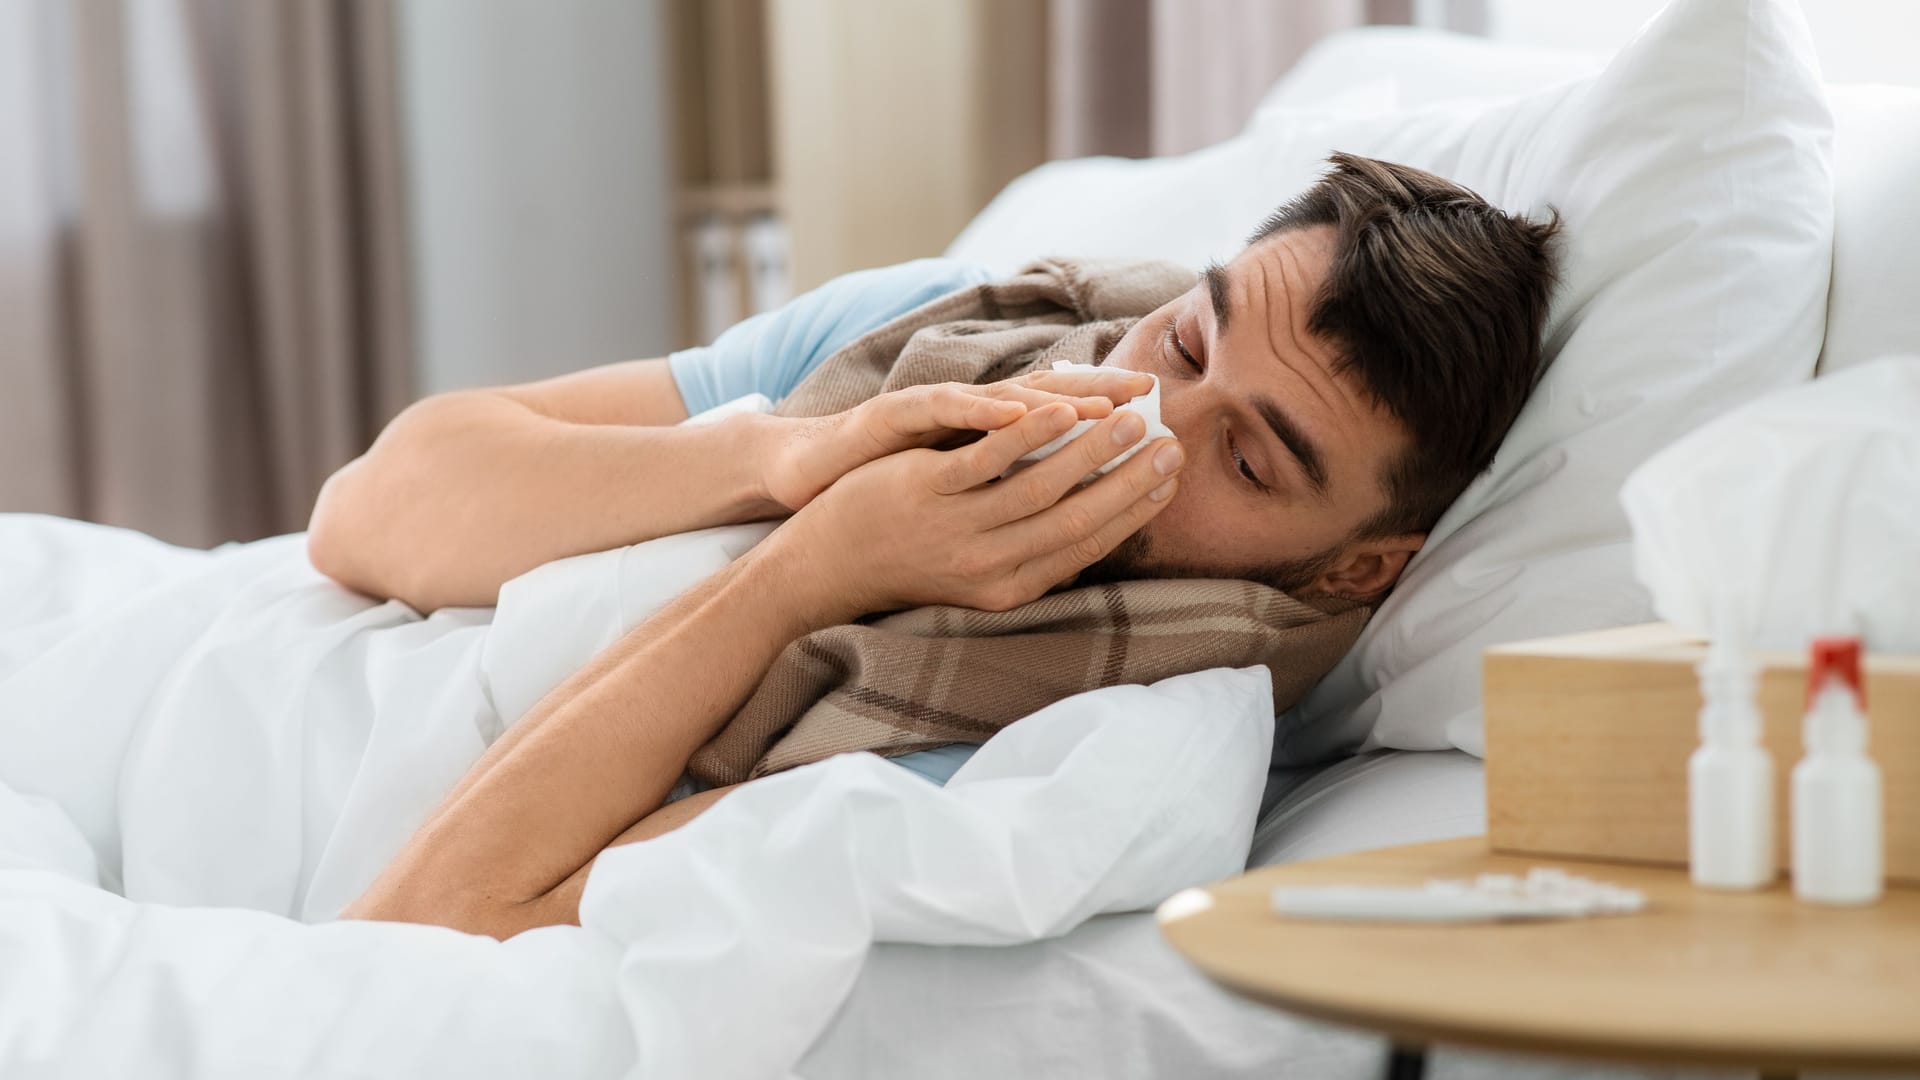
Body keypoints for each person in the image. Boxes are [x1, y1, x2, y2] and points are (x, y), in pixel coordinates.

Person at [317, 154, 1559, 938]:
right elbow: (365, 511)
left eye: (1245, 459)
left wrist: (812, 568)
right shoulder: (958, 330)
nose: (1143, 421)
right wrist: (777, 462)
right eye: (1186, 343)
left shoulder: (1073, 748)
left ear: (1354, 569)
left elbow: (432, 923)